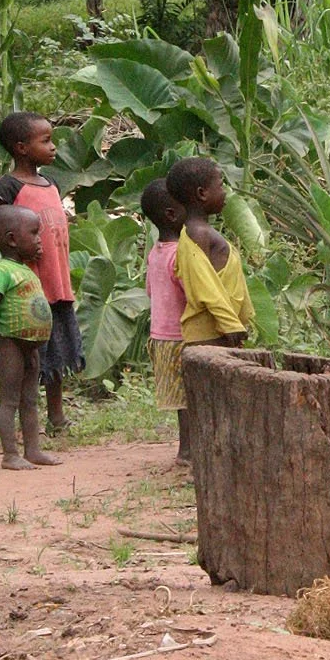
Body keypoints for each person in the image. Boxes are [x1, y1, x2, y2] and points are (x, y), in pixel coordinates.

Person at [0, 112, 83, 436]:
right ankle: (29, 419)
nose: (53, 147)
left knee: (55, 351)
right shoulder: (8, 186)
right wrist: (17, 254)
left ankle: (57, 415)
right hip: (27, 288)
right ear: (21, 147)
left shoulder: (51, 183)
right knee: (31, 354)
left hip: (56, 281)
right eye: (46, 141)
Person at [0, 204, 59, 470]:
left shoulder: (25, 269)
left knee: (30, 399)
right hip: (10, 343)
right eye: (34, 233)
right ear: (12, 240)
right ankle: (10, 454)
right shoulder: (2, 271)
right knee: (10, 399)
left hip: (29, 346)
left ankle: (33, 450)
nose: (39, 239)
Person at [167, 157, 252, 352]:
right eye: (221, 185)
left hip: (218, 334)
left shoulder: (201, 230)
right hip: (210, 335)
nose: (224, 192)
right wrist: (230, 324)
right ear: (202, 193)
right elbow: (203, 283)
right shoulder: (197, 232)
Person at [142, 177, 189, 462]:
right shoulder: (180, 255)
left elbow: (150, 289)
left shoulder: (155, 253)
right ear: (172, 214)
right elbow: (191, 294)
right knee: (191, 397)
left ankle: (185, 447)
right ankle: (190, 450)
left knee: (182, 401)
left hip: (160, 335)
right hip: (182, 336)